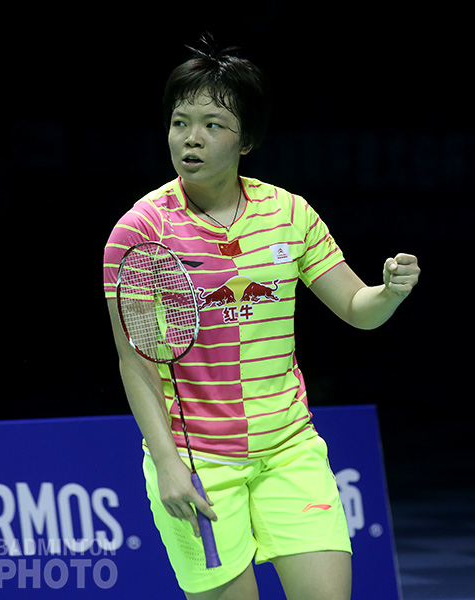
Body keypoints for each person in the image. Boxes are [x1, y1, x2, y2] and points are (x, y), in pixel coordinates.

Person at [103, 37, 420, 600]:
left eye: (213, 125)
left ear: (246, 139)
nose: (192, 138)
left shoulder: (289, 213)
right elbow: (136, 363)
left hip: (289, 450)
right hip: (199, 460)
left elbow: (356, 308)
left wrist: (388, 293)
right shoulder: (141, 231)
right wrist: (168, 464)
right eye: (180, 123)